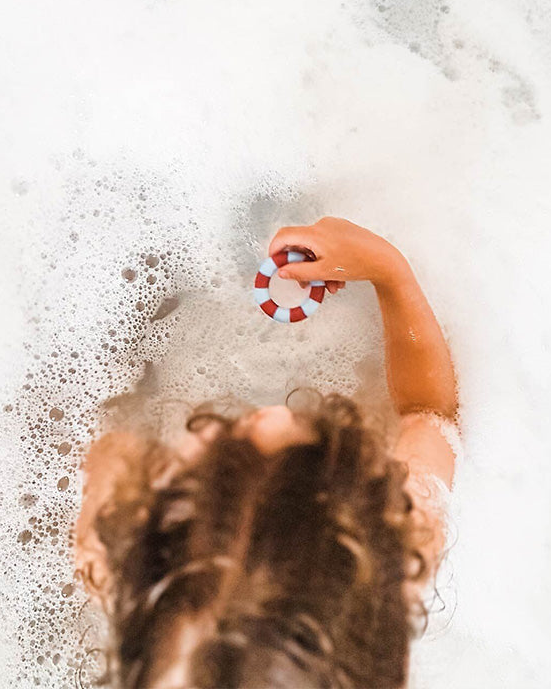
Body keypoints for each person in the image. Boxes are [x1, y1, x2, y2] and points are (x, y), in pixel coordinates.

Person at [74, 217, 459, 688]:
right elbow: (428, 414)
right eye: (311, 459)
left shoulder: (111, 556)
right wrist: (388, 271)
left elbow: (96, 450)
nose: (265, 417)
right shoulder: (397, 553)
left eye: (219, 464)